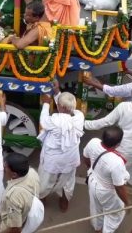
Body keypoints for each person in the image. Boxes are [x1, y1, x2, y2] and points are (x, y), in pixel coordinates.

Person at [37, 84, 84, 212]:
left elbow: (43, 120)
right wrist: (57, 91)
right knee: (68, 180)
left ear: (59, 107)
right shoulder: (79, 117)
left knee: (45, 179)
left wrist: (46, 103)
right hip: (70, 157)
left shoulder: (53, 120)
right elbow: (67, 107)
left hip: (52, 159)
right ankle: (64, 200)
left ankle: (42, 197)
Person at [82, 126, 131, 233]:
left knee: (96, 209)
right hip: (107, 191)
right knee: (115, 214)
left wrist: (91, 168)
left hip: (92, 182)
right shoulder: (116, 162)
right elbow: (119, 187)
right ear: (118, 144)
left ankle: (98, 228)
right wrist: (127, 202)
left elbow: (85, 156)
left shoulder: (93, 142)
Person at [0, 153, 45, 233]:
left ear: (14, 174)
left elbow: (15, 227)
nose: (3, 169)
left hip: (18, 222)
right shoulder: (32, 172)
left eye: (5, 168)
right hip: (27, 211)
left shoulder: (13, 196)